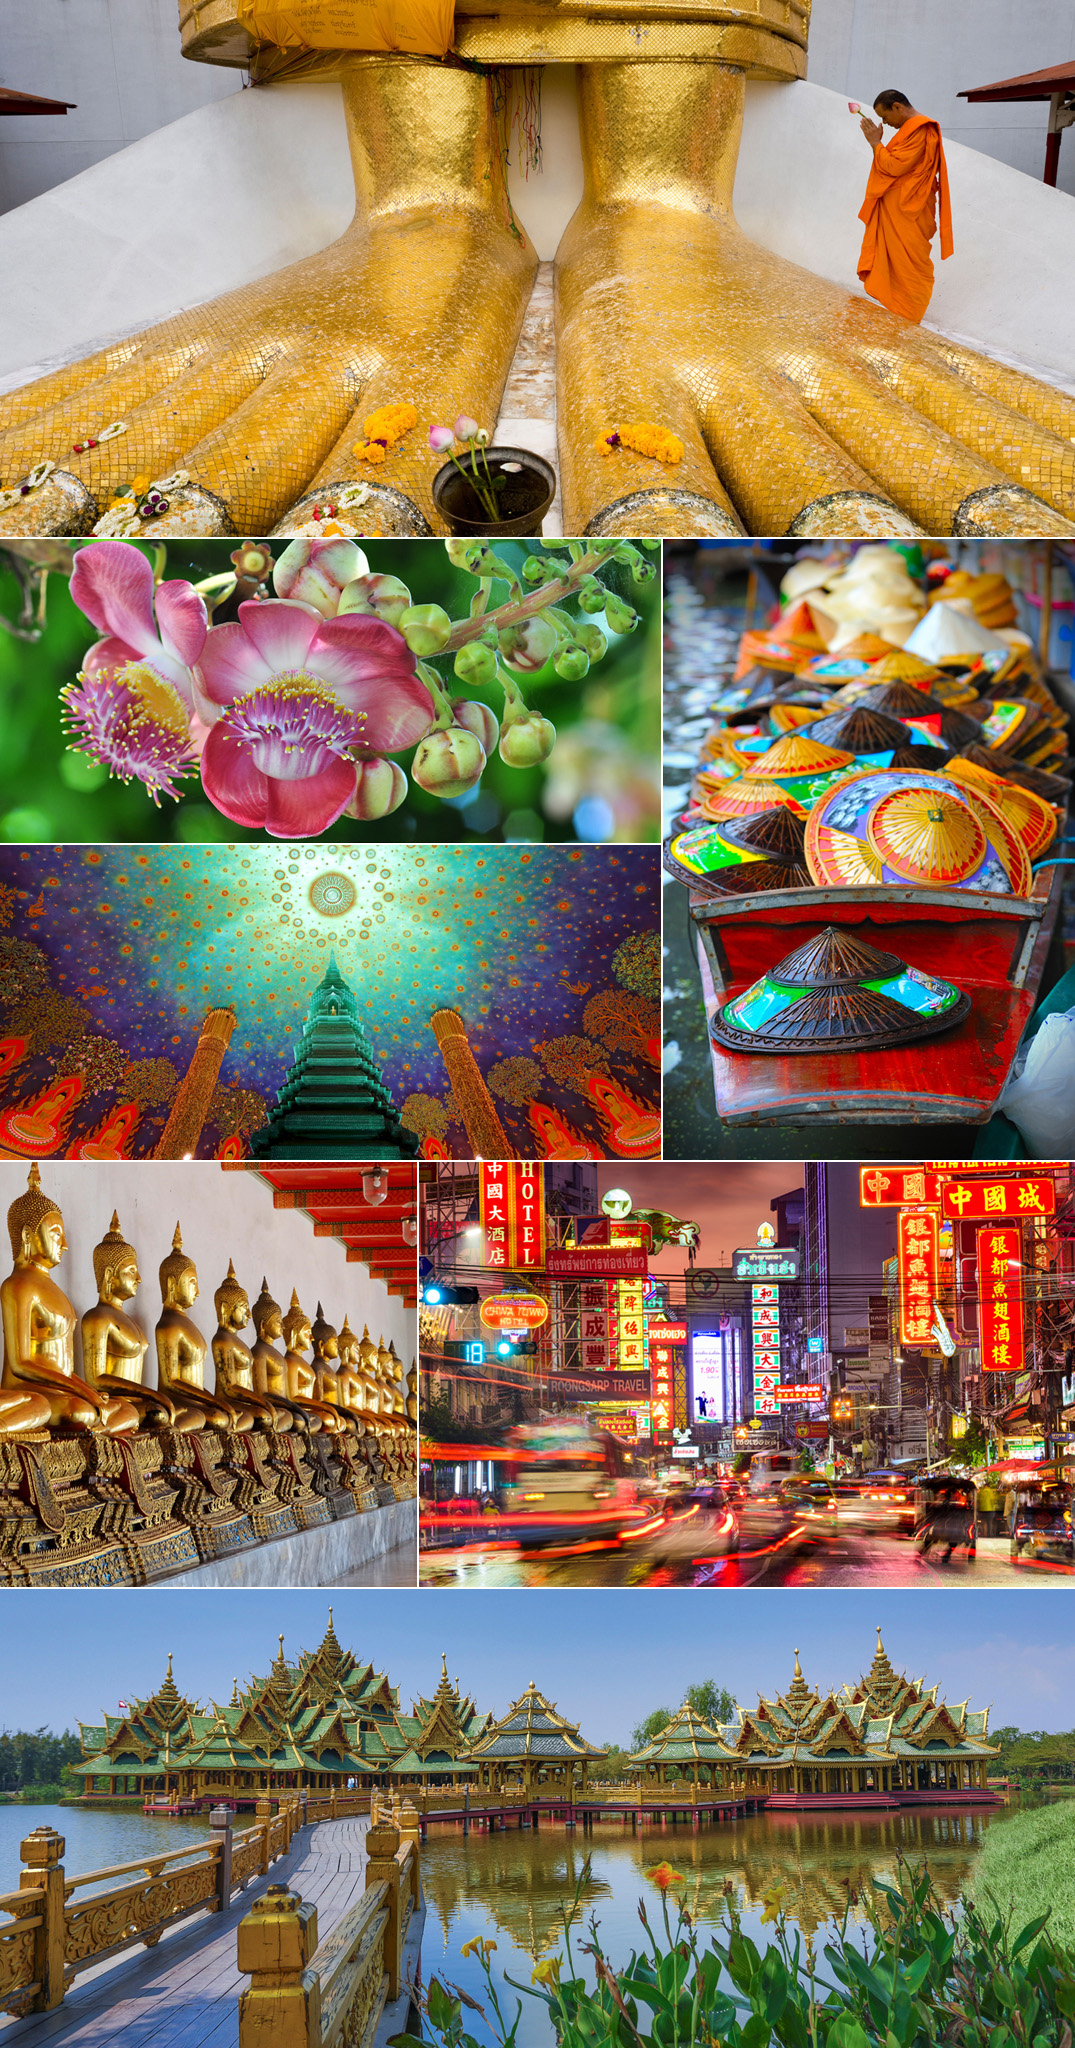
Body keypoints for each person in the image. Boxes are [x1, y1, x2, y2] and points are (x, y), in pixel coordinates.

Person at [857, 89, 953, 323]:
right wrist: (877, 145)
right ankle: (899, 310)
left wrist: (876, 143)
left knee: (914, 263)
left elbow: (894, 167)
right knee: (901, 261)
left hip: (910, 211)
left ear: (897, 107)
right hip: (899, 209)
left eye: (885, 117)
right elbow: (890, 166)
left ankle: (909, 312)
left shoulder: (921, 129)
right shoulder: (911, 131)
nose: (885, 123)